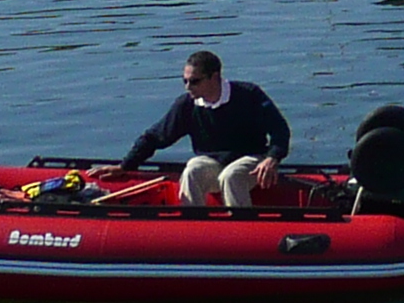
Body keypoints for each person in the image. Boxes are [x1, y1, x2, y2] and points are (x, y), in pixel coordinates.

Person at [120, 50, 290, 207]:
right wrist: (125, 166)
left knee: (231, 176)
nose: (188, 86)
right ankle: (192, 226)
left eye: (194, 81)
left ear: (214, 77)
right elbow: (156, 137)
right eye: (185, 81)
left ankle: (241, 230)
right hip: (213, 161)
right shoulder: (186, 105)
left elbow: (280, 130)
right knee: (192, 170)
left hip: (251, 158)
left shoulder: (248, 95)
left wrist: (272, 158)